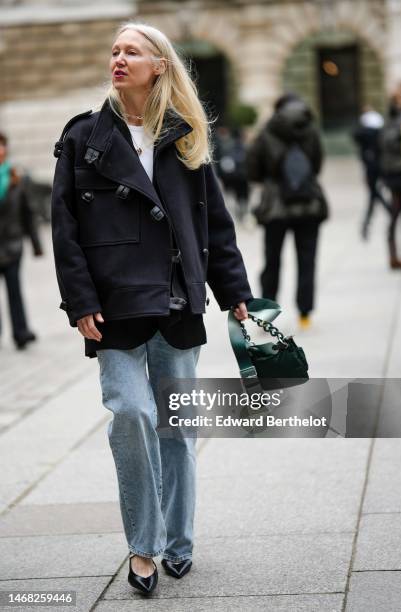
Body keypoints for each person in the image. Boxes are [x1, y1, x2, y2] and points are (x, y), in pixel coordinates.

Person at [51, 21, 253, 596]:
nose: (118, 59)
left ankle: (178, 541)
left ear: (158, 65)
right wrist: (80, 302)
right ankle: (143, 545)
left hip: (175, 302)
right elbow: (63, 229)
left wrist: (234, 293)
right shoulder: (83, 138)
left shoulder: (185, 137)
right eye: (114, 51)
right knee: (133, 416)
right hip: (113, 311)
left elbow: (215, 224)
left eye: (131, 52)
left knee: (177, 431)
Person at [246, 93, 328, 329]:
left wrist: (271, 178)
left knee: (272, 260)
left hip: (275, 206)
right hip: (309, 203)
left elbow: (252, 169)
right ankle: (305, 314)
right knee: (307, 259)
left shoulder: (267, 131)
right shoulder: (311, 129)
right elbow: (318, 164)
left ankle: (267, 315)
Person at [0, 132, 43, 349]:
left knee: (14, 290)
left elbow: (29, 213)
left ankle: (21, 332)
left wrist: (36, 245)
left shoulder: (17, 177)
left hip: (12, 244)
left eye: (1, 146)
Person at [380, 83, 401, 269]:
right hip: (399, 174)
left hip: (392, 173)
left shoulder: (389, 119)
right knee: (400, 215)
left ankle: (394, 255)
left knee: (396, 215)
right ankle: (397, 255)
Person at [352, 106, 391, 240]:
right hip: (377, 165)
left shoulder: (367, 127)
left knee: (373, 193)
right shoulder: (377, 125)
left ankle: (388, 212)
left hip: (374, 166)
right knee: (373, 194)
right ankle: (369, 222)